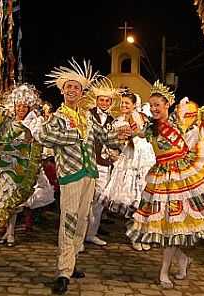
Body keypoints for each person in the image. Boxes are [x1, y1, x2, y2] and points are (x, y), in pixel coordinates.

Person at [126, 81, 204, 289]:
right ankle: (183, 260)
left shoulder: (181, 119)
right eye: (151, 105)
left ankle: (164, 271)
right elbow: (131, 129)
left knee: (176, 225)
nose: (154, 108)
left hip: (183, 176)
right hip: (160, 178)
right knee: (171, 225)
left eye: (158, 104)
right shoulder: (149, 127)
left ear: (167, 104)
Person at [40, 59, 127, 295]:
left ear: (81, 92)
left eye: (76, 87)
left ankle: (72, 262)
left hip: (89, 174)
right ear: (63, 91)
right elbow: (44, 137)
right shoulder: (58, 117)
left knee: (82, 219)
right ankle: (63, 271)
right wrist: (74, 137)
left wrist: (123, 134)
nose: (72, 90)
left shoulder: (88, 117)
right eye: (69, 87)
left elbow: (105, 137)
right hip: (71, 175)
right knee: (68, 219)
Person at [0, 84, 54, 247]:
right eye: (18, 105)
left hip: (25, 166)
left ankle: (11, 232)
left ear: (29, 106)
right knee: (7, 199)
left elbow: (37, 141)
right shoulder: (7, 120)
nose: (21, 108)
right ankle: (8, 232)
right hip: (6, 165)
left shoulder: (35, 121)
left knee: (17, 200)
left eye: (24, 106)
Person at [99, 90, 155, 251]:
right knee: (132, 199)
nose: (123, 105)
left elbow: (142, 134)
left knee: (140, 198)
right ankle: (135, 235)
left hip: (141, 157)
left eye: (127, 103)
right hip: (128, 157)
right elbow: (115, 141)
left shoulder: (137, 116)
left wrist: (131, 135)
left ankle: (140, 235)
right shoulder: (118, 120)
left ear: (134, 105)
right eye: (122, 102)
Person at [84, 78, 119, 248]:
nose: (104, 102)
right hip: (88, 161)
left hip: (105, 164)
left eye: (107, 100)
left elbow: (115, 143)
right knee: (85, 200)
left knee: (99, 201)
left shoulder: (114, 121)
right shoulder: (87, 115)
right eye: (101, 99)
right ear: (96, 100)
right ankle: (79, 236)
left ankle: (92, 233)